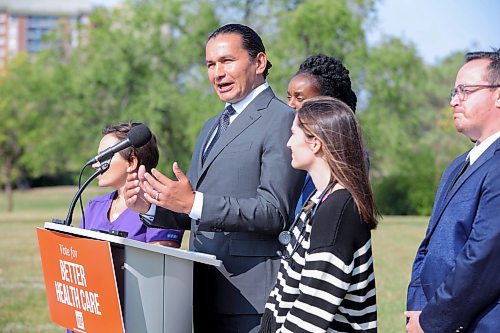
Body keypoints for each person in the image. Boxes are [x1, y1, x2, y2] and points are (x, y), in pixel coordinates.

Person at [124, 24, 304, 332]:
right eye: (210, 64)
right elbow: (192, 210)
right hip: (202, 292)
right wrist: (151, 205)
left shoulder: (282, 120)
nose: (217, 73)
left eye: (227, 61)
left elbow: (274, 211)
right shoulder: (211, 126)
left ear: (259, 63)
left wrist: (194, 203)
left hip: (251, 302)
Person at [260, 96, 378, 332]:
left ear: (315, 143)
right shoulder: (320, 199)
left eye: (294, 134)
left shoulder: (337, 210)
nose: (288, 143)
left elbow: (313, 308)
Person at [405, 50, 500, 332]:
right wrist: (417, 307)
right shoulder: (458, 165)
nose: (453, 101)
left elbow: (484, 256)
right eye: (453, 91)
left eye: (465, 91)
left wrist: (433, 319)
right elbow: (429, 245)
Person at [82, 122, 183, 247]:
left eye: (104, 156)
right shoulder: (94, 207)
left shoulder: (162, 207)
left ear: (131, 162)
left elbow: (160, 262)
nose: (95, 165)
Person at [287, 54, 359, 217]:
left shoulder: (344, 157)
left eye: (299, 98)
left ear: (326, 103)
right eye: (289, 97)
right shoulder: (297, 147)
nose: (291, 105)